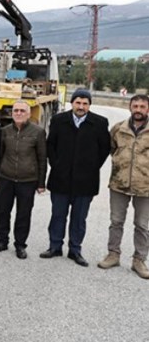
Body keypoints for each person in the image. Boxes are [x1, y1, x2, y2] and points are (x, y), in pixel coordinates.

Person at [41, 88, 110, 267]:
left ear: (89, 105)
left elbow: (104, 149)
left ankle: (75, 250)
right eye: (78, 103)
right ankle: (55, 246)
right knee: (58, 215)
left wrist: (92, 167)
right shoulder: (59, 120)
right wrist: (57, 164)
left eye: (85, 103)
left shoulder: (100, 123)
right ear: (72, 103)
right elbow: (51, 145)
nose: (81, 106)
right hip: (60, 178)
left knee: (79, 219)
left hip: (86, 182)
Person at [98, 94, 149, 278]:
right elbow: (112, 150)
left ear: (148, 109)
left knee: (142, 225)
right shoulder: (118, 129)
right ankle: (113, 254)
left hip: (145, 186)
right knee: (116, 222)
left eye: (142, 106)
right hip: (119, 183)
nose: (138, 110)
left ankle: (139, 260)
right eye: (135, 106)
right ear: (130, 107)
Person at [0, 101, 46, 259]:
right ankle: (2, 241)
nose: (19, 113)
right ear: (12, 113)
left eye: (22, 111)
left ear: (29, 114)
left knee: (23, 214)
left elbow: (42, 159)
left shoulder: (38, 132)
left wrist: (41, 183)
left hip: (28, 180)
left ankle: (20, 245)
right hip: (5, 178)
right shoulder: (5, 131)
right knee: (2, 212)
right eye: (16, 110)